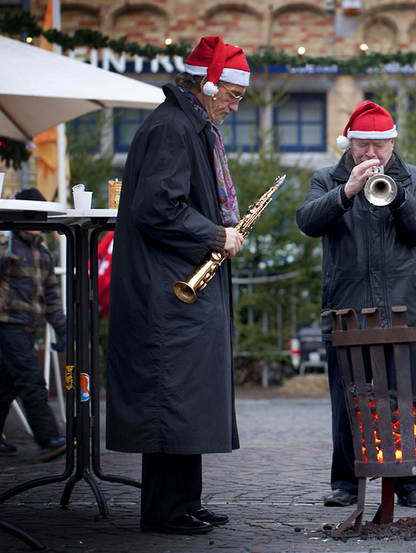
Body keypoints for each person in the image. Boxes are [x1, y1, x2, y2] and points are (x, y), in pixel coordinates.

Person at [105, 36, 249, 535]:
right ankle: (166, 510)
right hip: (166, 292)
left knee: (188, 400)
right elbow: (157, 208)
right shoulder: (173, 129)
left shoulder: (188, 124)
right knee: (171, 398)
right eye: (232, 95)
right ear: (207, 86)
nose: (234, 105)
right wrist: (215, 234)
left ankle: (186, 501)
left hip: (176, 285)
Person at [296, 100, 416, 509]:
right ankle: (345, 481)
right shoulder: (327, 178)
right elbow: (307, 222)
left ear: (393, 142)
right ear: (349, 142)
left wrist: (397, 197)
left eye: (379, 145)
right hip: (347, 307)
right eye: (362, 145)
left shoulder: (415, 177)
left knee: (404, 396)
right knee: (347, 398)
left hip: (404, 307)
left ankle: (408, 480)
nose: (371, 154)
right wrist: (348, 190)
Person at [0, 188, 67, 462]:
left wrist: (62, 328)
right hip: (6, 323)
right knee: (30, 378)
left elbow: (51, 296)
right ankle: (47, 437)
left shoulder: (43, 253)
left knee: (7, 384)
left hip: (27, 326)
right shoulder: (6, 245)